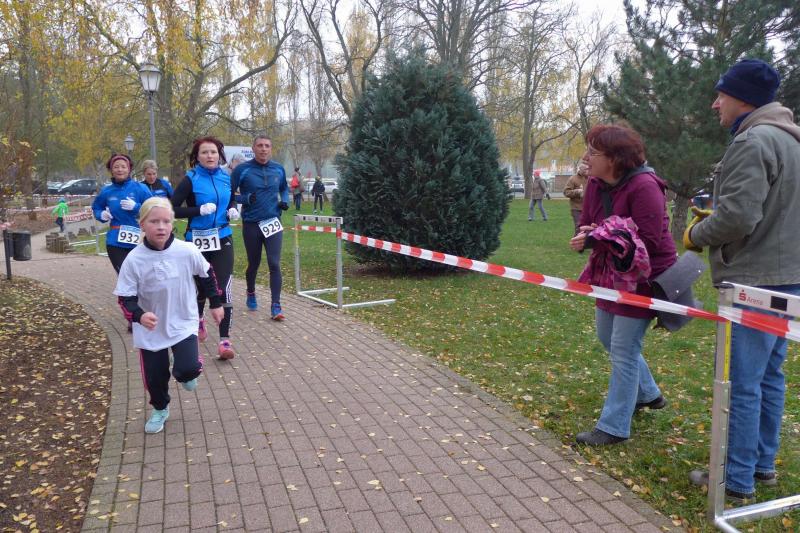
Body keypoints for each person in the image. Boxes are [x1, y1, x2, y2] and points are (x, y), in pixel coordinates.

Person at [684, 59, 800, 502]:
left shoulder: (753, 141)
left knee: (743, 381)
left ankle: (736, 479)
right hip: (789, 277)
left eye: (721, 95)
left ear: (743, 99)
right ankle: (761, 465)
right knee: (770, 376)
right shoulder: (790, 140)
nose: (715, 104)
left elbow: (738, 217)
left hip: (755, 282)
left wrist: (697, 234)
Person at [569, 124, 676, 446]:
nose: (586, 158)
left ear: (615, 158)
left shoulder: (645, 186)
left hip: (644, 277)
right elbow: (589, 224)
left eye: (593, 152)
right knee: (607, 337)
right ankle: (648, 393)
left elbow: (648, 240)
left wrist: (600, 234)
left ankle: (614, 427)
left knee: (624, 349)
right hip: (609, 272)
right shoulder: (594, 184)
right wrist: (589, 236)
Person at [114, 197, 224, 434]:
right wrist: (139, 316)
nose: (161, 227)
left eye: (166, 221)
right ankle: (160, 408)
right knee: (155, 377)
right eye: (154, 222)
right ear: (142, 225)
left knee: (188, 370)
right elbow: (125, 298)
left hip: (183, 320)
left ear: (172, 223)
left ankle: (185, 370)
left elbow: (207, 275)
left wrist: (216, 303)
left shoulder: (187, 250)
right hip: (151, 328)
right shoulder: (134, 260)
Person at [171, 136, 239, 360]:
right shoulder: (190, 179)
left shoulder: (226, 177)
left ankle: (224, 341)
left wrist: (232, 208)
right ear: (197, 157)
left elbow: (230, 199)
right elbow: (171, 209)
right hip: (197, 240)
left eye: (213, 152)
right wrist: (197, 211)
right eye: (204, 152)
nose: (210, 156)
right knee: (200, 287)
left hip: (222, 236)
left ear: (219, 155)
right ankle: (199, 319)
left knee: (223, 286)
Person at [231, 135, 289, 320]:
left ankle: (276, 306)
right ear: (253, 148)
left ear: (271, 149)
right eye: (260, 145)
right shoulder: (242, 170)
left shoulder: (278, 169)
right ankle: (250, 291)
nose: (264, 149)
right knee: (254, 263)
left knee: (274, 263)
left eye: (267, 146)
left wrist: (285, 200)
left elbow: (284, 188)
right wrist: (245, 199)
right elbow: (229, 194)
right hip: (251, 224)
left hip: (272, 222)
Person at [92, 153, 152, 273]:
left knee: (141, 276)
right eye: (116, 167)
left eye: (123, 167)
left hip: (139, 240)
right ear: (111, 170)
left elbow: (154, 209)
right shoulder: (106, 191)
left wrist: (137, 207)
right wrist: (101, 214)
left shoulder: (141, 188)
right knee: (124, 275)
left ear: (129, 169)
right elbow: (96, 207)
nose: (120, 170)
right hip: (115, 241)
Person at [563, 162, 588, 234]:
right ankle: (576, 241)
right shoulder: (573, 179)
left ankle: (584, 241)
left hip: (588, 208)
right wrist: (577, 192)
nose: (586, 171)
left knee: (587, 228)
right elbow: (566, 192)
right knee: (579, 227)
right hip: (576, 208)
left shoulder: (590, 178)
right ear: (580, 169)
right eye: (585, 169)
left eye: (587, 169)